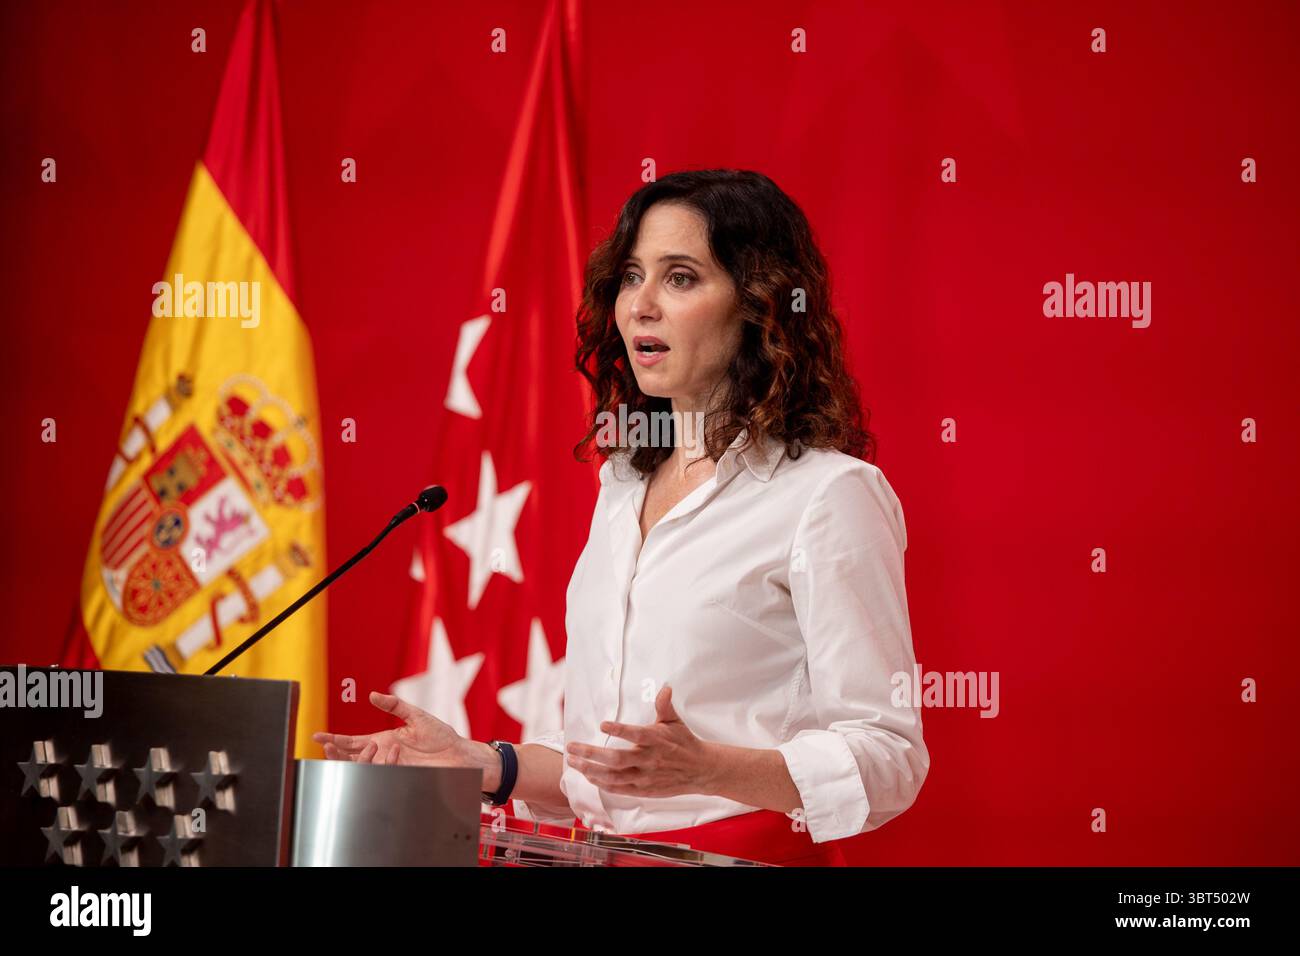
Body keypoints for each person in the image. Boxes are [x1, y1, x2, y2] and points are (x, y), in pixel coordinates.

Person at [314, 169, 929, 866]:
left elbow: (889, 757)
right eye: (631, 277)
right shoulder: (621, 487)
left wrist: (711, 769)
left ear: (759, 306)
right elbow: (607, 771)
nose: (640, 305)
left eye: (682, 278)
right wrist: (484, 764)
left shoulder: (828, 495)